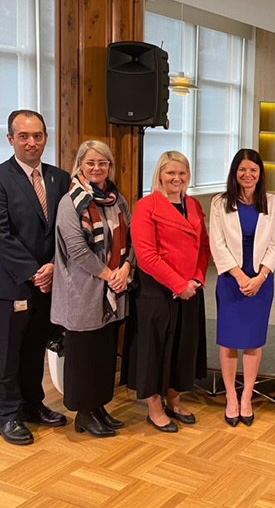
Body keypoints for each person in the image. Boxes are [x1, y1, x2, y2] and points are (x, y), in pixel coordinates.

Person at [51, 140, 133, 437]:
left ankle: (99, 407)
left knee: (104, 351)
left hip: (112, 289)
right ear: (80, 166)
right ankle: (84, 413)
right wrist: (110, 274)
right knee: (84, 353)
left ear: (110, 167)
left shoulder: (116, 199)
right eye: (91, 163)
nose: (97, 168)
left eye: (103, 163)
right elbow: (76, 249)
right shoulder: (69, 202)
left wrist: (126, 268)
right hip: (83, 291)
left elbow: (131, 237)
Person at [0, 110, 70, 445]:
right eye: (24, 136)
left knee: (34, 349)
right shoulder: (1, 178)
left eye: (38, 135)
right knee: (8, 353)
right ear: (10, 139)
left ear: (46, 137)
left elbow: (68, 230)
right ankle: (8, 414)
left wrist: (55, 266)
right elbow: (2, 235)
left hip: (51, 282)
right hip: (13, 283)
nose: (32, 142)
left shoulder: (60, 178)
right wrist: (34, 272)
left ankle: (33, 405)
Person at [129, 151, 209, 432]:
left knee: (183, 347)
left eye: (182, 173)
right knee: (155, 348)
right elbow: (146, 255)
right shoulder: (146, 206)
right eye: (170, 173)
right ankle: (154, 406)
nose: (176, 178)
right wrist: (178, 284)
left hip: (190, 289)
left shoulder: (194, 205)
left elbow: (203, 248)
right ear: (160, 174)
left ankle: (175, 400)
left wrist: (197, 280)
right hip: (158, 290)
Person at [209, 149, 275, 427]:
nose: (248, 175)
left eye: (253, 170)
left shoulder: (273, 203)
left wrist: (260, 277)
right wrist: (240, 277)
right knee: (229, 341)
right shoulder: (220, 203)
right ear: (234, 172)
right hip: (231, 280)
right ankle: (230, 396)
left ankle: (247, 397)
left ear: (260, 173)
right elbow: (217, 244)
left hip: (261, 281)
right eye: (242, 170)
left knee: (253, 342)